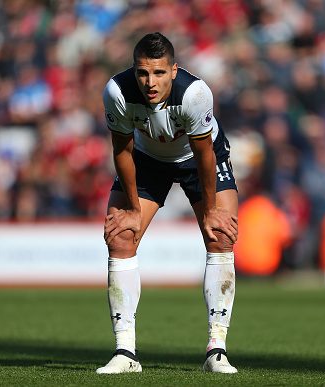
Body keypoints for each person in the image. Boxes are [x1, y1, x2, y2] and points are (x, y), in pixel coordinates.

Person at [97, 32, 239, 374]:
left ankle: (216, 350)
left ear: (174, 71)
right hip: (146, 161)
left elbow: (204, 154)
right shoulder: (117, 92)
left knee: (220, 234)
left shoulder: (195, 93)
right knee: (120, 238)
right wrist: (131, 207)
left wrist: (212, 208)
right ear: (134, 71)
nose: (150, 82)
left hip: (198, 159)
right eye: (143, 73)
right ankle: (125, 353)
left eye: (159, 73)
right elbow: (122, 150)